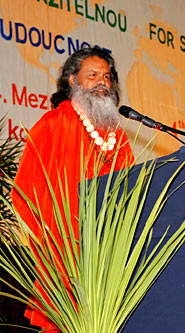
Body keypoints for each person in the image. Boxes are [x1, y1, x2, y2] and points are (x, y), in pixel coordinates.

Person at [12, 47, 135, 332]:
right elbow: (26, 189)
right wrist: (50, 240)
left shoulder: (117, 135)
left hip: (110, 253)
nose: (102, 82)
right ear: (72, 81)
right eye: (92, 75)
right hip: (65, 252)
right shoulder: (52, 124)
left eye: (106, 76)